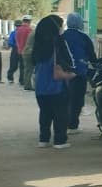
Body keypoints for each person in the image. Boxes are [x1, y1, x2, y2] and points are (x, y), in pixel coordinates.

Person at [30, 15, 76, 149]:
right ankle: (59, 141)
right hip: (57, 84)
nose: (62, 28)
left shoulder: (38, 44)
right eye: (61, 25)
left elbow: (33, 61)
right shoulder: (59, 42)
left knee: (44, 112)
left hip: (40, 85)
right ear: (55, 27)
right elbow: (69, 60)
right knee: (60, 114)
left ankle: (43, 139)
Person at [62, 13, 97, 132]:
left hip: (62, 73)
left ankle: (63, 125)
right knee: (77, 100)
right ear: (79, 23)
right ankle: (72, 126)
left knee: (64, 99)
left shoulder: (62, 36)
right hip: (79, 73)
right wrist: (95, 65)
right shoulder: (84, 37)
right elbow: (92, 55)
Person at [6, 18, 29, 84]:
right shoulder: (25, 31)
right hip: (23, 49)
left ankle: (10, 78)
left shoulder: (13, 33)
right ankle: (21, 80)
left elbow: (10, 42)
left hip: (15, 49)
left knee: (13, 65)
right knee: (22, 65)